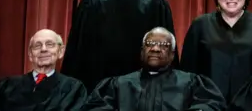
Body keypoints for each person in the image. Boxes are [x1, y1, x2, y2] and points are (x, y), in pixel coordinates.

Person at [83, 27, 226, 111]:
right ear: (141, 51)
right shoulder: (118, 85)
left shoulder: (191, 83)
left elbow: (210, 106)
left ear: (172, 55)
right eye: (150, 43)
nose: (156, 48)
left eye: (163, 45)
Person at [0, 29, 86, 111]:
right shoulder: (6, 86)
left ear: (60, 52)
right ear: (30, 54)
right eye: (37, 46)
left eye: (50, 44)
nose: (43, 49)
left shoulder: (73, 88)